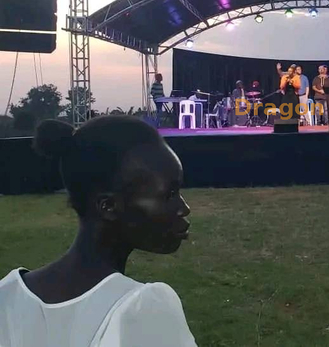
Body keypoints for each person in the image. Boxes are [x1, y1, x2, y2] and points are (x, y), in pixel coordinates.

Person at [0, 117, 196, 347]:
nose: (184, 208)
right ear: (108, 206)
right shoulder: (142, 309)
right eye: (170, 194)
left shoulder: (6, 297)